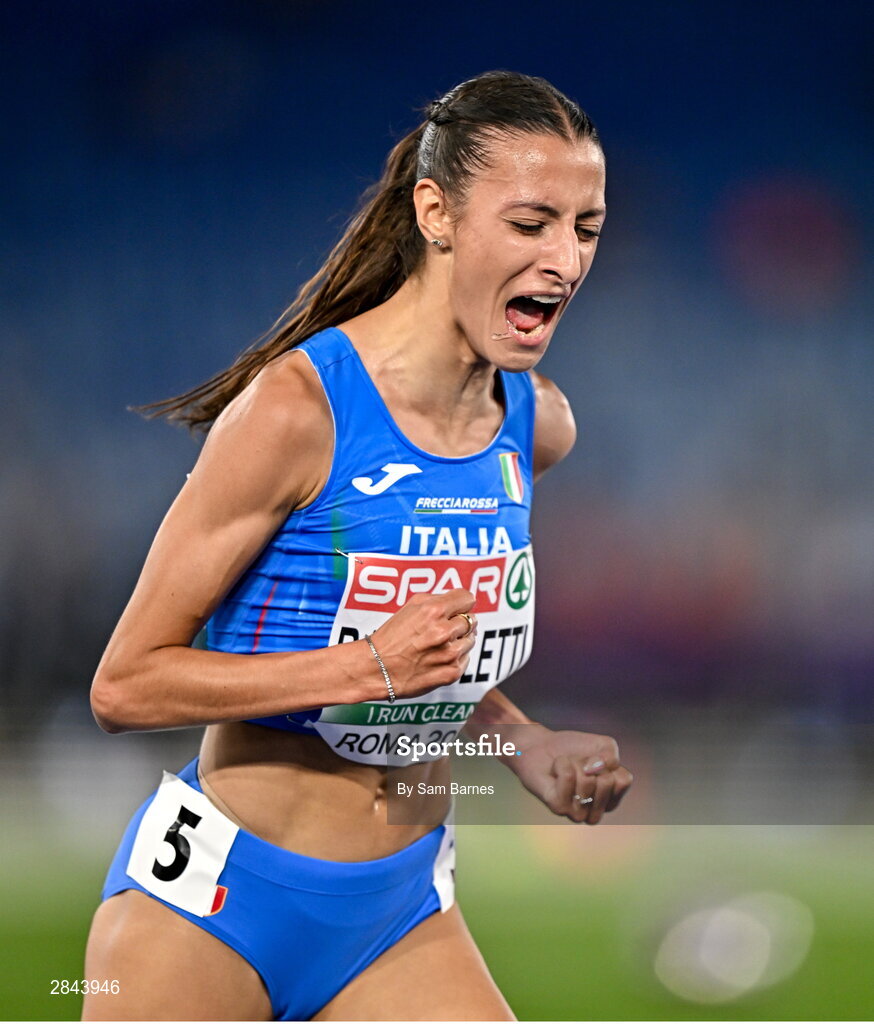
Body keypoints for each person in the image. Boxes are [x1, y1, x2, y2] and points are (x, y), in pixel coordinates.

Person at [82, 70, 633, 1022]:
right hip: (216, 907)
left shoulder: (533, 426)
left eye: (583, 229)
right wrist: (361, 667)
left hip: (400, 912)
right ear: (437, 212)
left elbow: (429, 653)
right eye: (532, 222)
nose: (565, 262)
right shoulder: (296, 412)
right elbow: (126, 686)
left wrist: (522, 742)